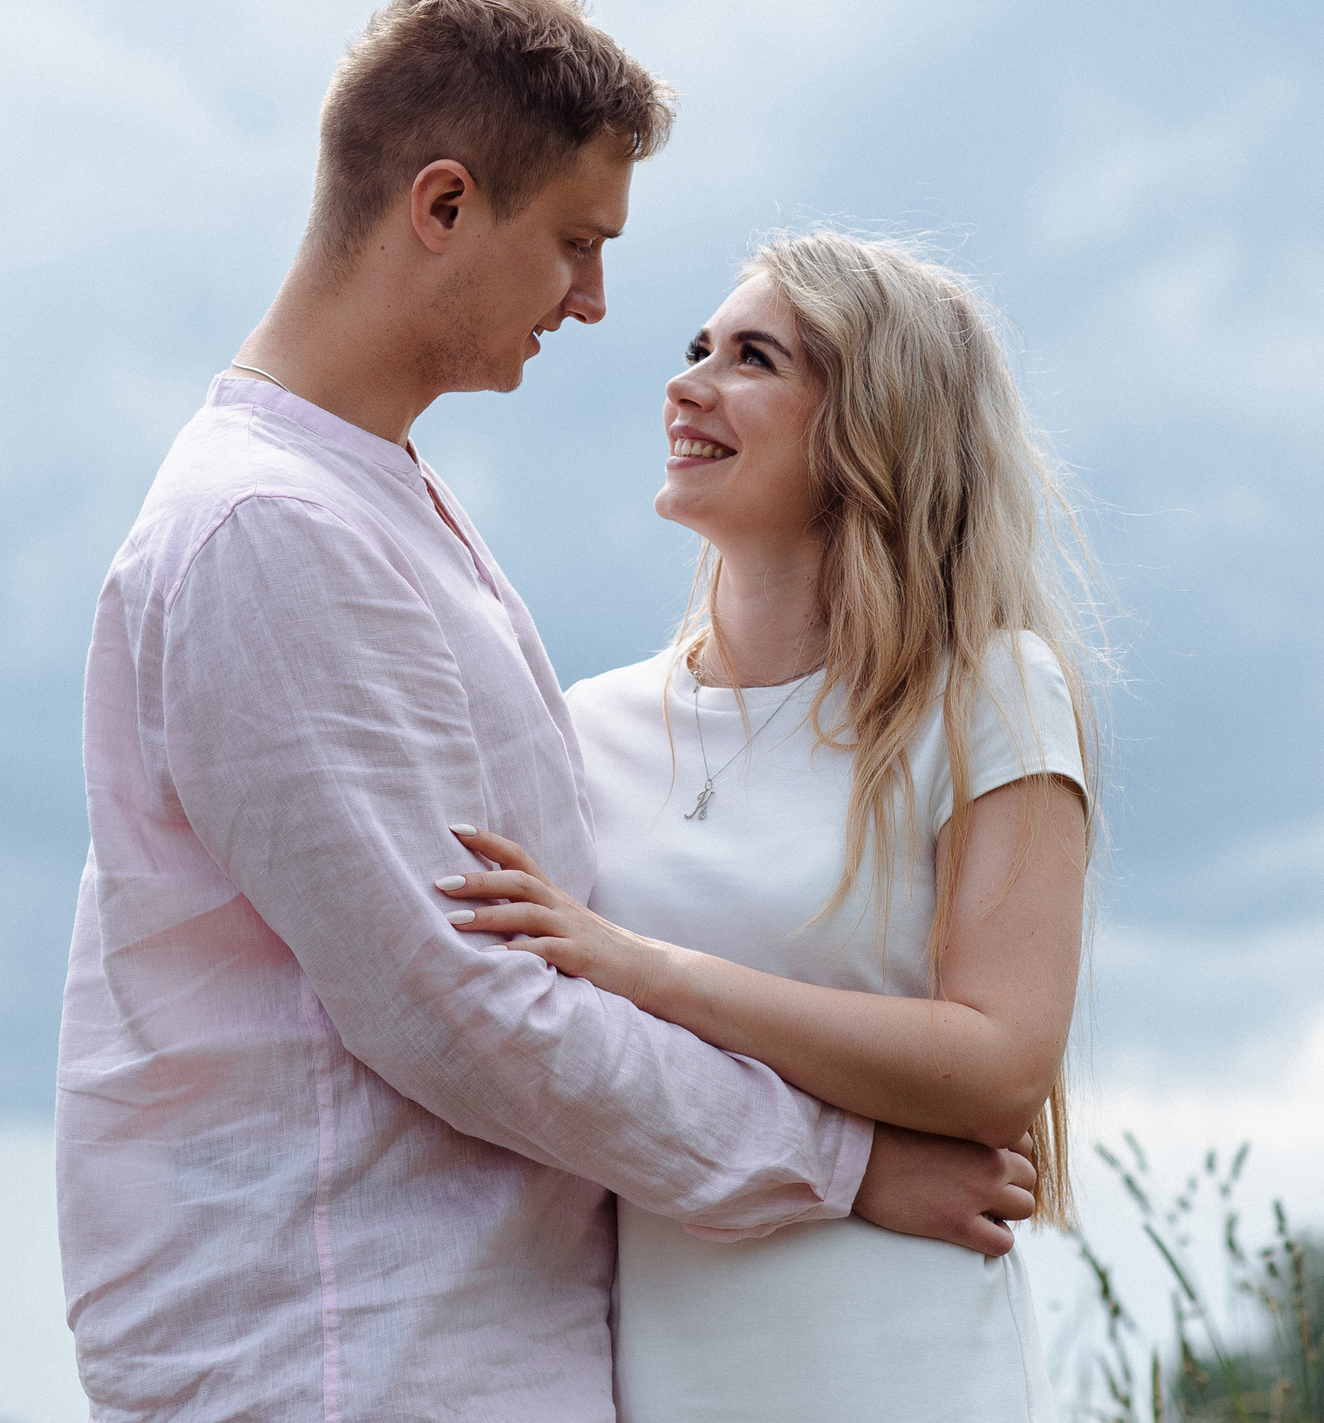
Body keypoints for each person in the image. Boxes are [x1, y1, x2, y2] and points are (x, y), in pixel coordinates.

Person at [57, 0, 1035, 1422]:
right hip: (348, 1354)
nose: (593, 303)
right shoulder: (265, 529)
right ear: (443, 206)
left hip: (458, 1348)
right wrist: (848, 1161)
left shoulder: (375, 506)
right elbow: (457, 1005)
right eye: (576, 242)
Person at [421, 232, 1100, 1421]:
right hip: (659, 1373)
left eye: (753, 359)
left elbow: (1000, 1065)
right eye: (697, 348)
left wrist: (651, 972)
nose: (689, 383)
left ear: (870, 426)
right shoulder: (581, 728)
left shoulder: (989, 692)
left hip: (907, 1369)